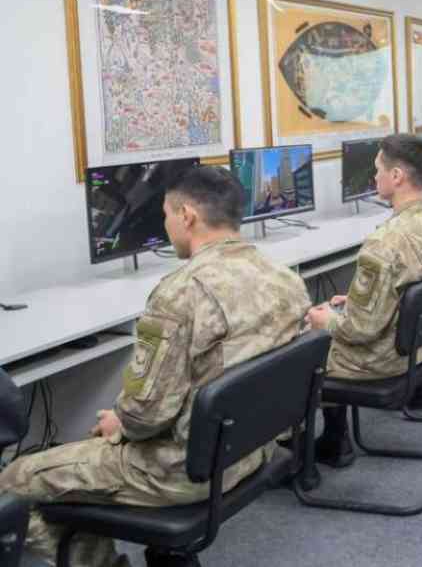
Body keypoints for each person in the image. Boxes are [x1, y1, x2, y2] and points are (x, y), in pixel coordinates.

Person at [0, 166, 311, 567]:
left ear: (187, 216)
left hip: (182, 471)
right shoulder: (284, 277)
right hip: (249, 451)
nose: (165, 226)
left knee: (16, 478)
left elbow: (145, 415)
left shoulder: (179, 293)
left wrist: (120, 423)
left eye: (165, 215)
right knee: (76, 468)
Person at [304, 134, 422, 467]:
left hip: (384, 359)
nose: (374, 176)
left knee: (301, 346)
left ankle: (331, 443)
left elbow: (359, 330)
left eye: (378, 170)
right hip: (419, 347)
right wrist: (357, 299)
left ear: (397, 176)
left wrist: (325, 320)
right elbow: (409, 285)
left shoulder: (383, 243)